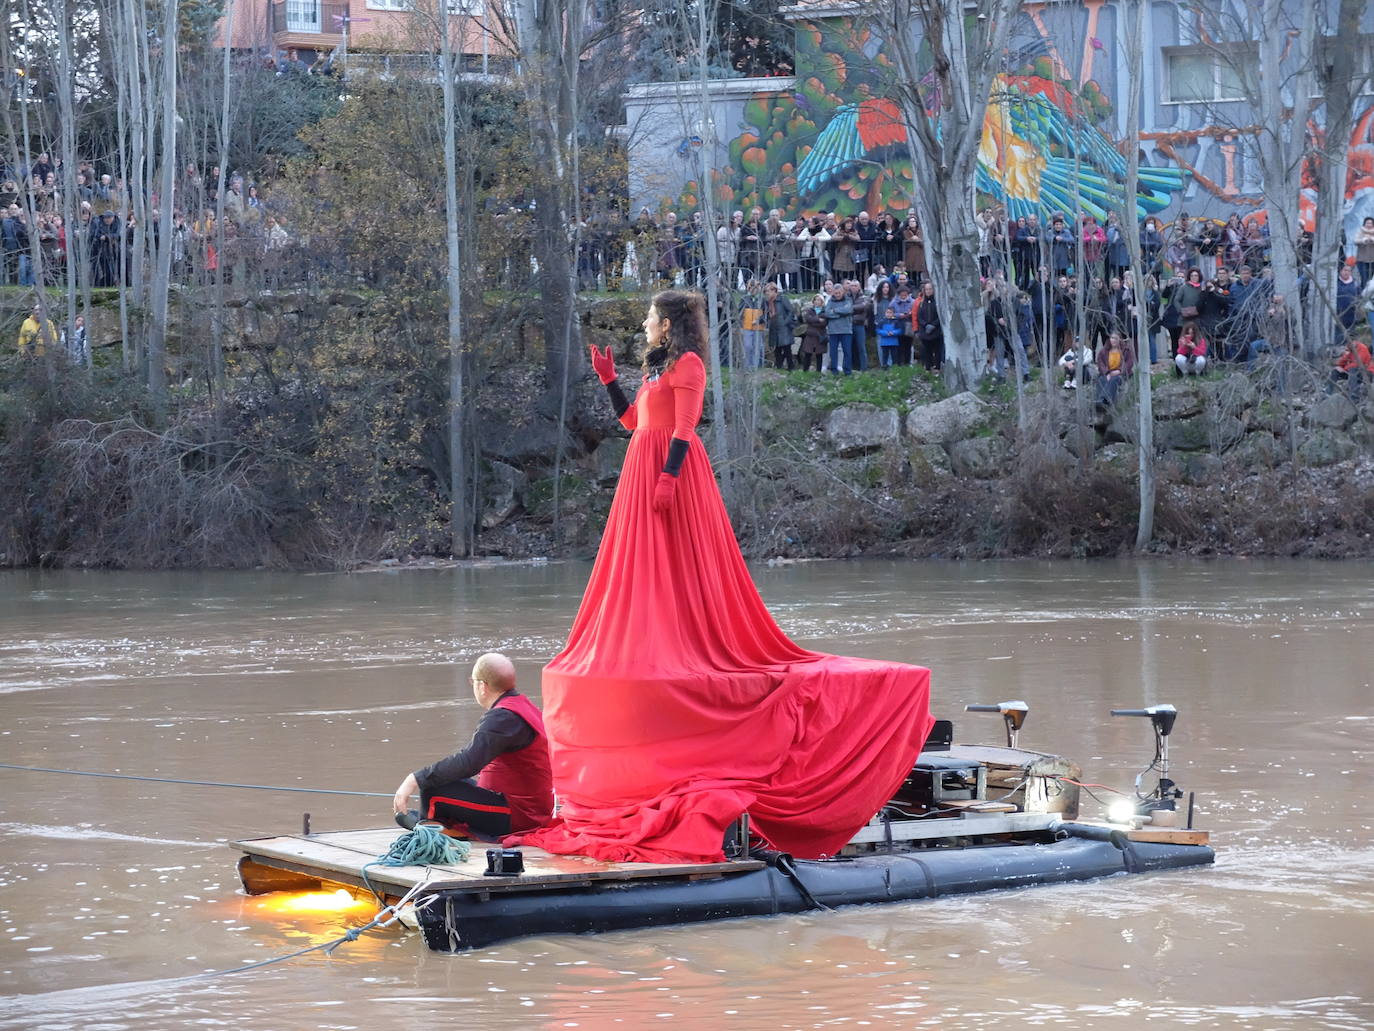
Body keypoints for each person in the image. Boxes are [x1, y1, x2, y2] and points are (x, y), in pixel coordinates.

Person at [520, 290, 933, 864]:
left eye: (648, 318)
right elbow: (634, 422)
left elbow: (684, 429)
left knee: (680, 565)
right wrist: (610, 380)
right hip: (642, 467)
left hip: (672, 473)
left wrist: (668, 478)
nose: (643, 323)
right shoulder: (660, 367)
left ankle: (689, 644)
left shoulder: (689, 365)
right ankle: (652, 646)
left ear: (667, 324)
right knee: (642, 571)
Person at [391, 652, 553, 838]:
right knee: (444, 779)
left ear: (482, 686)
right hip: (530, 810)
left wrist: (414, 779)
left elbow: (469, 762)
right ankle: (442, 826)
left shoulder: (503, 717)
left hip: (519, 816)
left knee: (433, 790)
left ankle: (434, 832)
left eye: (473, 681)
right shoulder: (521, 705)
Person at [761, 281, 796, 370]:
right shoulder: (767, 302)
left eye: (768, 291)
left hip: (784, 328)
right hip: (774, 327)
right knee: (777, 349)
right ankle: (779, 367)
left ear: (774, 291)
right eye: (765, 292)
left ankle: (791, 367)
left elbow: (791, 311)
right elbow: (766, 314)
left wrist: (785, 322)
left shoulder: (782, 299)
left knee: (787, 349)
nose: (766, 293)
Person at [823, 282, 855, 375]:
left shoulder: (848, 300)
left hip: (846, 330)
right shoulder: (830, 302)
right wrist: (841, 313)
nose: (837, 295)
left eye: (839, 293)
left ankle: (848, 371)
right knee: (833, 352)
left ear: (843, 292)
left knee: (847, 351)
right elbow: (827, 313)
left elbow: (848, 310)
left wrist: (835, 311)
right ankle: (834, 371)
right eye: (835, 293)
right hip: (833, 331)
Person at [1096, 331, 1135, 404]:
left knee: (1114, 379)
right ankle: (1099, 400)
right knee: (1101, 379)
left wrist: (1120, 371)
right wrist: (1107, 373)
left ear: (1119, 339)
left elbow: (1129, 363)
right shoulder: (1104, 351)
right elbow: (1100, 363)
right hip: (1108, 372)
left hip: (1120, 373)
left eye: (1115, 338)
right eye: (1111, 338)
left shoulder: (1126, 350)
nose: (1113, 340)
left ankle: (1107, 400)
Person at [798, 292, 828, 372]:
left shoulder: (824, 312)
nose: (817, 302)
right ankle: (805, 370)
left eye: (819, 300)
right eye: (815, 300)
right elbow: (807, 319)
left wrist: (813, 320)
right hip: (810, 336)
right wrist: (818, 319)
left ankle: (818, 371)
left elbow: (824, 323)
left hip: (820, 336)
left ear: (822, 302)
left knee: (819, 355)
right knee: (807, 354)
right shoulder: (809, 310)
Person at [915, 280, 942, 371]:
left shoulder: (938, 302)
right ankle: (928, 367)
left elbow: (940, 316)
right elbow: (919, 316)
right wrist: (925, 325)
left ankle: (937, 367)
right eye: (927, 289)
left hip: (936, 331)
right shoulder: (922, 303)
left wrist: (934, 325)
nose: (928, 291)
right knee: (927, 351)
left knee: (937, 350)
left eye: (930, 289)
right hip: (925, 331)